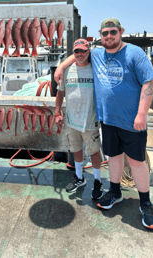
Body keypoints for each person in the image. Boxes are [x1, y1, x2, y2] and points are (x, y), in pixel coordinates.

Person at [54, 18, 153, 229]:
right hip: (108, 121)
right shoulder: (98, 53)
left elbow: (149, 81)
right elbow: (77, 55)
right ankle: (115, 192)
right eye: (105, 33)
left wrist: (142, 114)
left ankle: (145, 202)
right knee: (113, 158)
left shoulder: (135, 53)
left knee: (137, 162)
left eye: (113, 32)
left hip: (132, 122)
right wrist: (61, 66)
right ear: (100, 36)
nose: (109, 36)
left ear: (121, 31)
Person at [55, 39, 103, 199]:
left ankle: (97, 181)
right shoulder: (67, 70)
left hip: (90, 120)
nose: (80, 54)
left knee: (95, 151)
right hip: (71, 120)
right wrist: (57, 113)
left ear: (88, 51)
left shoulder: (95, 68)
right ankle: (79, 177)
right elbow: (60, 93)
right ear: (73, 53)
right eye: (77, 51)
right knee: (76, 149)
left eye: (83, 50)